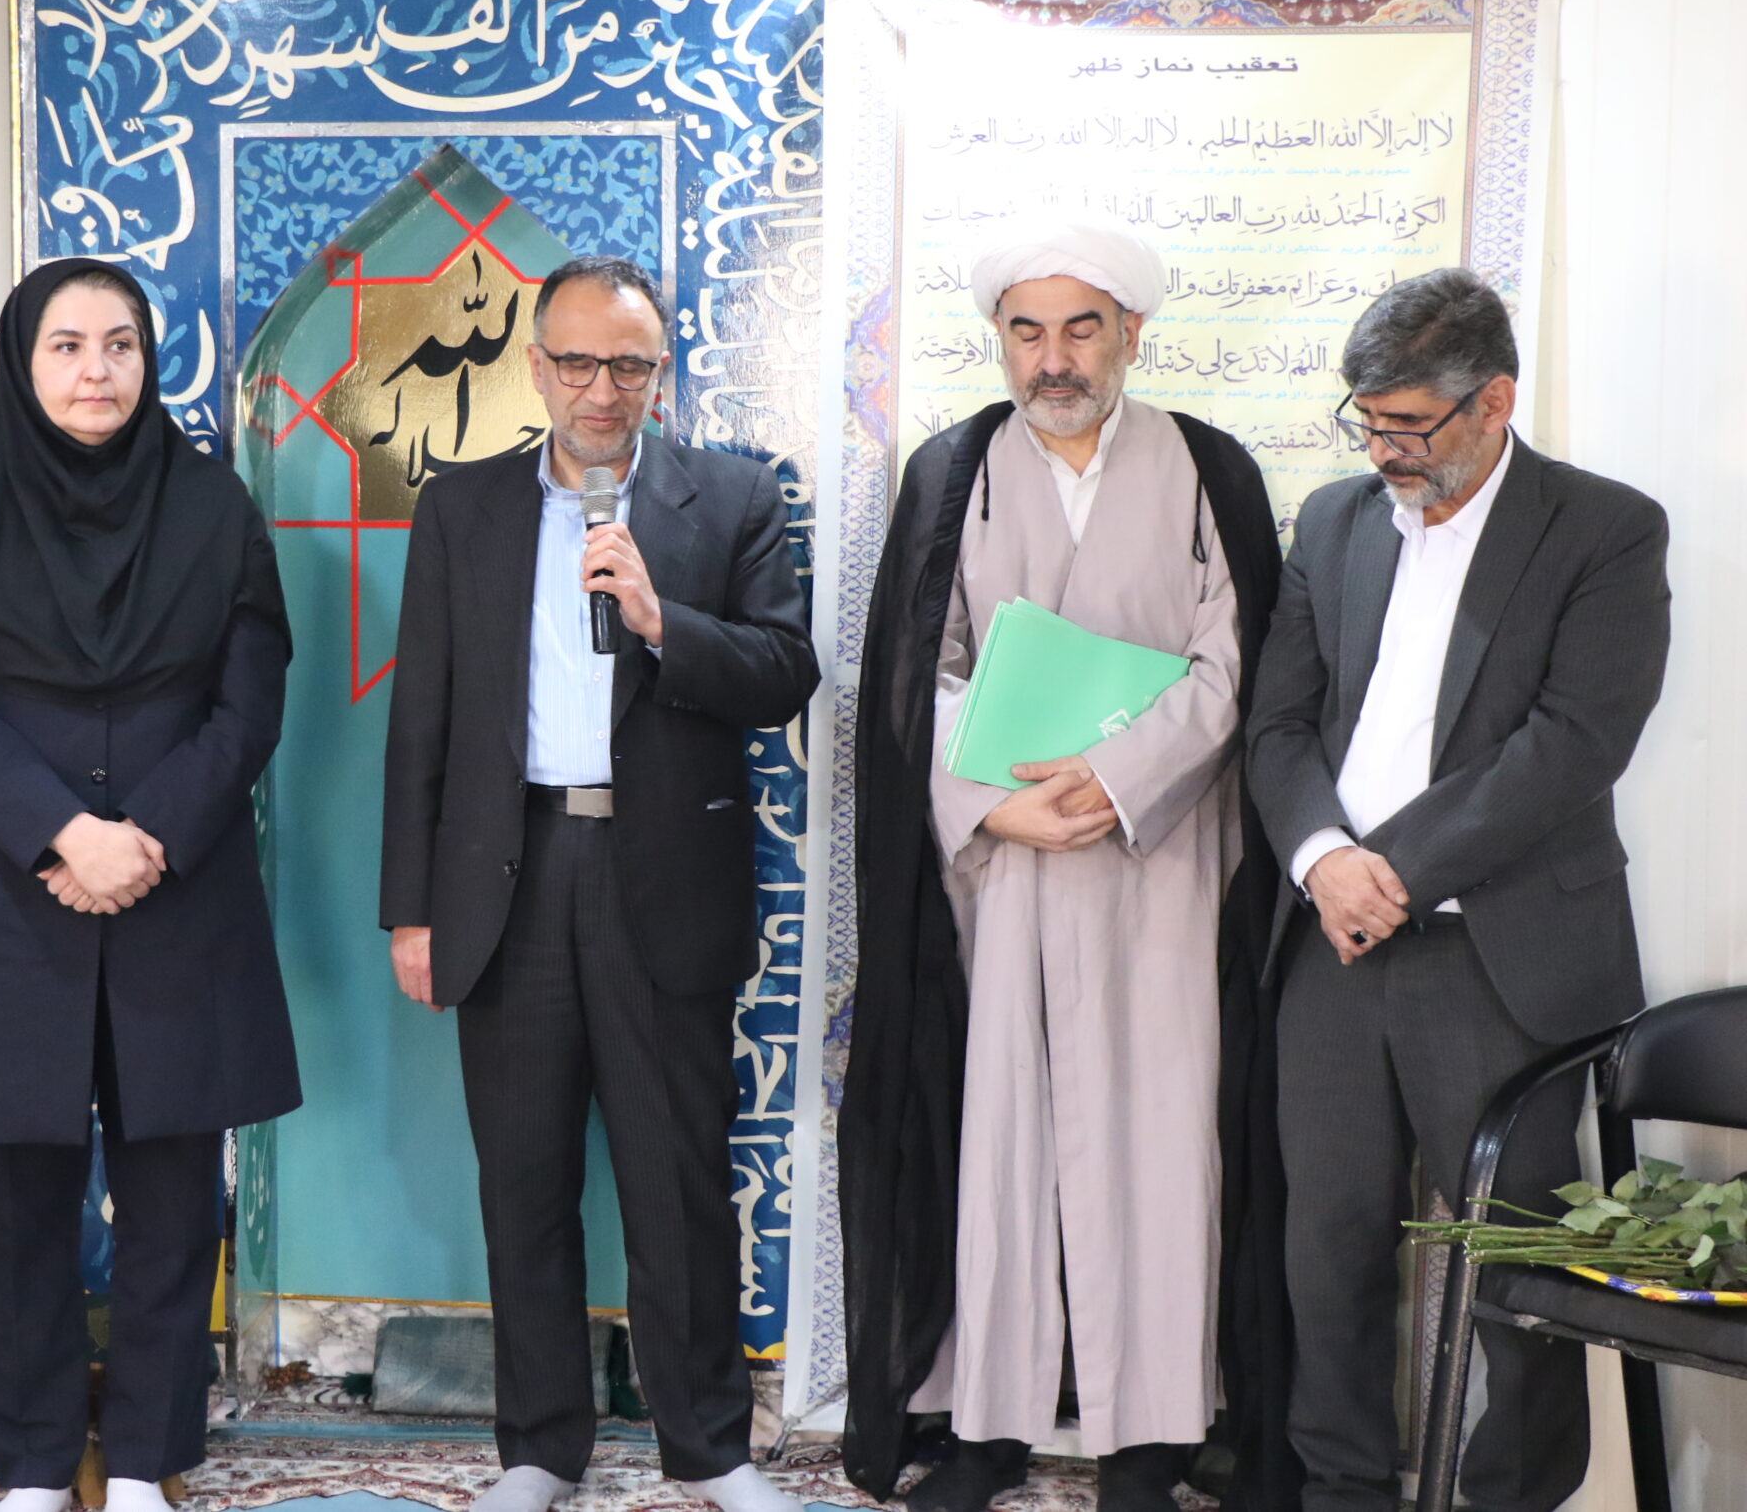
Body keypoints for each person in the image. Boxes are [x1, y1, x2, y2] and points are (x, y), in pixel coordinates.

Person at [840, 216, 1296, 1512]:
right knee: (1001, 1150)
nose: (1053, 358)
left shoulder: (1207, 466)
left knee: (1163, 1150)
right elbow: (913, 672)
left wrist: (1119, 777)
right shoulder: (952, 471)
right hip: (1008, 877)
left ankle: (1148, 1439)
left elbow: (1237, 660)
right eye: (1026, 331)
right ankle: (987, 1426)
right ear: (999, 340)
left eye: (1081, 328)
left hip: (1166, 866)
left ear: (1130, 334)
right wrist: (995, 804)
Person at [379, 255, 818, 1512]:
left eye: (627, 365)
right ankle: (538, 1450)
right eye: (576, 362)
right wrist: (411, 908)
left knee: (677, 1184)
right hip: (507, 875)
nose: (600, 390)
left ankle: (711, 1452)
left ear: (659, 373)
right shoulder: (462, 508)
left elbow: (784, 670)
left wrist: (663, 620)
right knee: (522, 1180)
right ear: (535, 368)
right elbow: (423, 719)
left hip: (660, 877)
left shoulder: (729, 499)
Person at [1245, 267, 1670, 1512]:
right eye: (1367, 422)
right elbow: (1277, 727)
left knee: (1514, 1268)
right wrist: (1325, 862)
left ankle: (1514, 1500)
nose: (1384, 450)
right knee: (1326, 1252)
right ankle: (1339, 1492)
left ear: (1494, 401)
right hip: (1332, 944)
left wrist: (1394, 870)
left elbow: (1575, 743)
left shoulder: (1603, 528)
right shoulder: (1332, 521)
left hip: (1502, 956)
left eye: (1409, 426)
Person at [0, 258, 299, 1512]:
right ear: (23, 364)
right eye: (65, 346)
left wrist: (146, 835)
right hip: (8, 894)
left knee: (175, 1196)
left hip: (179, 886)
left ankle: (146, 1462)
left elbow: (249, 698)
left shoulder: (214, 506)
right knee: (21, 1201)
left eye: (119, 344)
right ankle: (29, 1463)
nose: (96, 371)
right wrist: (65, 835)